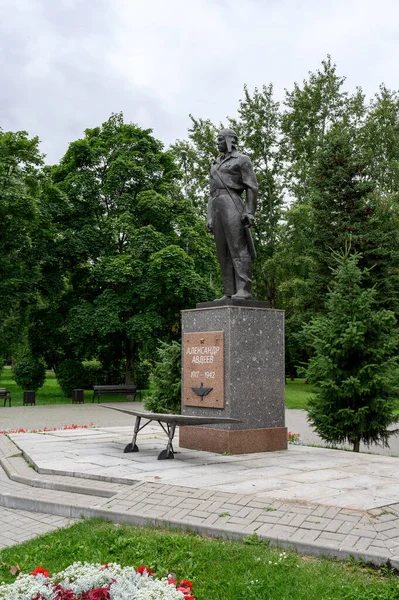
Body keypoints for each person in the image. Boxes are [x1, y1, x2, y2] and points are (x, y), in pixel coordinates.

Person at [207, 128, 258, 300]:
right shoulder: (215, 163)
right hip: (216, 205)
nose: (218, 142)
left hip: (232, 202)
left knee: (237, 247)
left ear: (229, 140)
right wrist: (209, 217)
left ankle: (244, 289)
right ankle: (229, 291)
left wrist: (249, 211)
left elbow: (252, 186)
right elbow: (210, 193)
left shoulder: (242, 160)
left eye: (221, 139)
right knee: (223, 252)